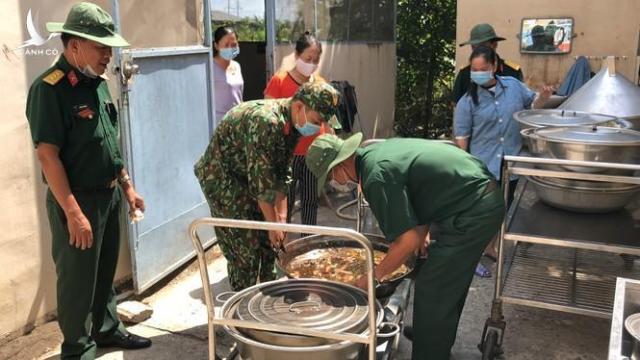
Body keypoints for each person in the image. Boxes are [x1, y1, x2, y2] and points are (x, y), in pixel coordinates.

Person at [305, 134, 505, 360]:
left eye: (330, 175)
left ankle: (429, 352)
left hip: (475, 210)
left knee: (434, 286)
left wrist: (374, 276)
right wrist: (422, 232)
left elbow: (406, 242)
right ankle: (431, 336)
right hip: (470, 195)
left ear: (340, 165)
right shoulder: (375, 154)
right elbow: (424, 190)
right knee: (450, 280)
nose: (335, 182)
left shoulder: (375, 177)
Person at [25, 3, 150, 359]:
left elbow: (108, 140)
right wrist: (74, 212)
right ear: (75, 45)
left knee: (104, 273)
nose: (108, 55)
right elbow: (48, 156)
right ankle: (78, 349)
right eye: (101, 47)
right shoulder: (49, 89)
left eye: (109, 47)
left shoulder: (96, 83)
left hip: (107, 197)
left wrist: (126, 186)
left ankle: (107, 329)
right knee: (78, 281)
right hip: (77, 200)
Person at [194, 81, 340, 291]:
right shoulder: (267, 123)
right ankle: (241, 309)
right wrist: (273, 225)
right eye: (318, 120)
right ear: (299, 106)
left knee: (270, 244)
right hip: (223, 178)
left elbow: (282, 174)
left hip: (250, 176)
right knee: (245, 248)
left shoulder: (293, 123)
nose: (320, 128)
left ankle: (267, 294)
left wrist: (281, 221)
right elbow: (261, 187)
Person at [454, 45, 552, 274]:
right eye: (474, 69)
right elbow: (462, 141)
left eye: (483, 68)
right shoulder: (467, 102)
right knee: (479, 216)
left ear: (495, 66)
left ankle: (490, 247)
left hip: (511, 164)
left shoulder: (514, 87)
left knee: (501, 211)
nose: (478, 73)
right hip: (483, 169)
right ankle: (471, 257)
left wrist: (544, 98)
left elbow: (532, 104)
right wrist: (465, 174)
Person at [264, 32, 333, 228]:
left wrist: (331, 145)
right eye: (308, 58)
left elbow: (328, 122)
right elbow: (269, 118)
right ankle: (282, 243)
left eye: (316, 60)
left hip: (314, 154)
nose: (312, 63)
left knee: (310, 202)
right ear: (296, 55)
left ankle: (307, 243)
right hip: (289, 155)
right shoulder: (279, 81)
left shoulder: (320, 84)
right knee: (284, 202)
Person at [452, 23, 523, 104]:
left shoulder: (512, 72)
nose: (478, 51)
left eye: (482, 46)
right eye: (474, 47)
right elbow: (456, 104)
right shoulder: (465, 73)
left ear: (494, 45)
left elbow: (522, 102)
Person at [212, 26, 244, 122]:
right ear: (216, 45)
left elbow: (239, 96)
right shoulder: (210, 67)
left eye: (234, 44)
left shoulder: (237, 66)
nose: (230, 48)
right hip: (219, 124)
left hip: (236, 121)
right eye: (226, 45)